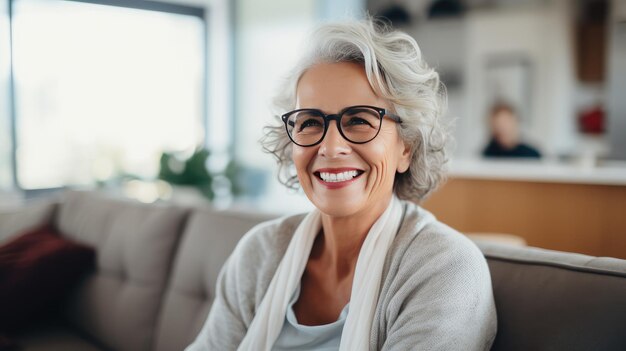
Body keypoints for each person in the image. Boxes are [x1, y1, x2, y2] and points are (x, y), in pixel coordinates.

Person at [187, 19, 496, 350]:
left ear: (406, 147)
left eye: (360, 120)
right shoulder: (259, 254)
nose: (331, 147)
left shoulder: (444, 270)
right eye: (310, 122)